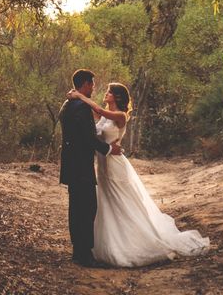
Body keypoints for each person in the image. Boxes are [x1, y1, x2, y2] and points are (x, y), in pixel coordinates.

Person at [67, 82, 210, 267]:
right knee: (107, 203)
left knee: (122, 200)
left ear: (117, 97)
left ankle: (136, 243)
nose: (106, 93)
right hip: (103, 165)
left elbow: (97, 110)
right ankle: (109, 243)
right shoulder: (101, 114)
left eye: (110, 91)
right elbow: (91, 119)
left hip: (115, 164)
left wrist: (79, 95)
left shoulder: (120, 116)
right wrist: (75, 97)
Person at [59, 69, 122, 268]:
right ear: (85, 84)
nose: (94, 88)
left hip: (71, 164)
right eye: (92, 84)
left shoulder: (68, 104)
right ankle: (86, 255)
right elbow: (87, 138)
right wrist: (108, 148)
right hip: (81, 165)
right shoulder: (81, 107)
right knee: (87, 209)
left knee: (76, 208)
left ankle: (78, 251)